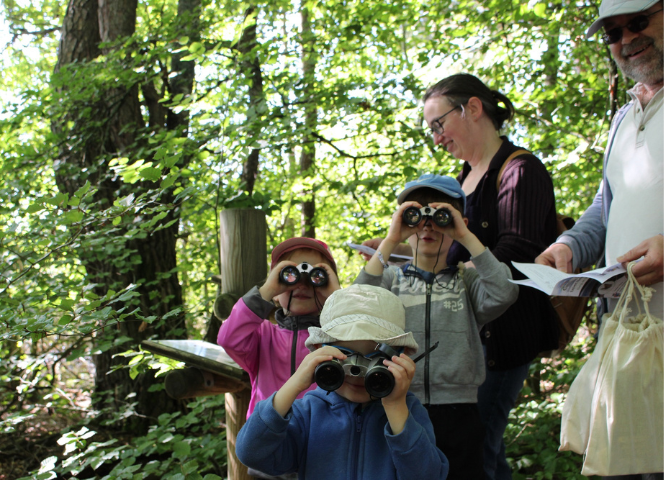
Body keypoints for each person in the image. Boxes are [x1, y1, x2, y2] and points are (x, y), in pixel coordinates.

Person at [362, 74, 561, 479]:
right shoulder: (463, 177)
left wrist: (456, 254)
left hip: (496, 343)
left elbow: (518, 256)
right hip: (420, 385)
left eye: (438, 124)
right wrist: (395, 244)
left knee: (477, 457)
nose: (435, 137)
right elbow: (360, 304)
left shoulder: (518, 170)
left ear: (472, 108)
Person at [536, 1, 663, 479]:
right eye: (612, 32)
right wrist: (569, 246)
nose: (627, 39)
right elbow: (605, 209)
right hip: (627, 339)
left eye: (639, 21)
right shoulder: (624, 117)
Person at [354, 173, 519, 479]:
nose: (428, 225)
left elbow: (505, 291)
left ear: (457, 222)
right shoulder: (392, 280)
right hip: (398, 402)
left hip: (460, 411)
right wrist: (392, 239)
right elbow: (359, 302)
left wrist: (466, 236)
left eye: (440, 215)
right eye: (417, 215)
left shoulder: (467, 282)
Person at [235, 284, 450, 480]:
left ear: (399, 360)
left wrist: (395, 407)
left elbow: (428, 475)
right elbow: (251, 453)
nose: (357, 373)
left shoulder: (408, 411)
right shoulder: (308, 412)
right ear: (320, 352)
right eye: (343, 356)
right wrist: (293, 385)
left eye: (375, 361)